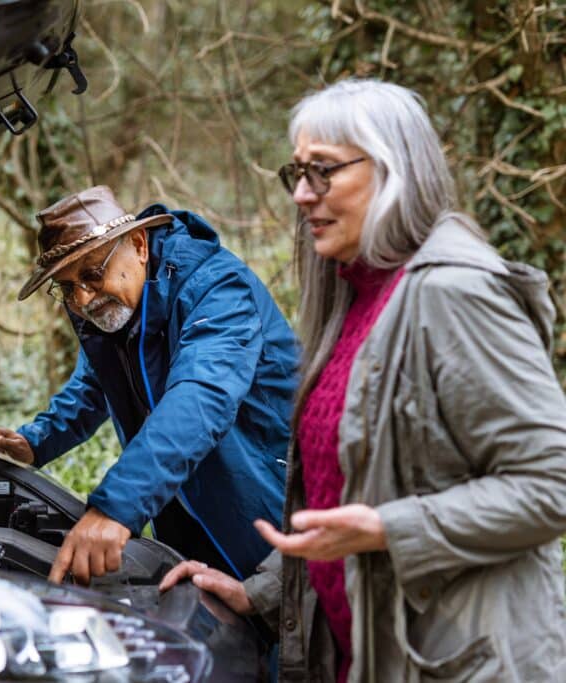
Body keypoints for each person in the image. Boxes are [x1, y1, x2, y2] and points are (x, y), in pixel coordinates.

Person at [160, 78, 566, 682]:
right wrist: (263, 594)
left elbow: (549, 483)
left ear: (393, 170)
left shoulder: (455, 294)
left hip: (467, 663)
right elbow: (339, 490)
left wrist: (387, 528)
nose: (301, 194)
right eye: (295, 172)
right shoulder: (352, 297)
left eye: (322, 171)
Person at [0, 185, 299, 587]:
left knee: (285, 632)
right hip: (180, 508)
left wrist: (115, 507)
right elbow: (93, 385)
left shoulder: (217, 289)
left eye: (91, 273)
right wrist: (35, 440)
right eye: (67, 287)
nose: (84, 298)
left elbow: (200, 398)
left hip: (269, 506)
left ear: (139, 244)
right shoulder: (113, 309)